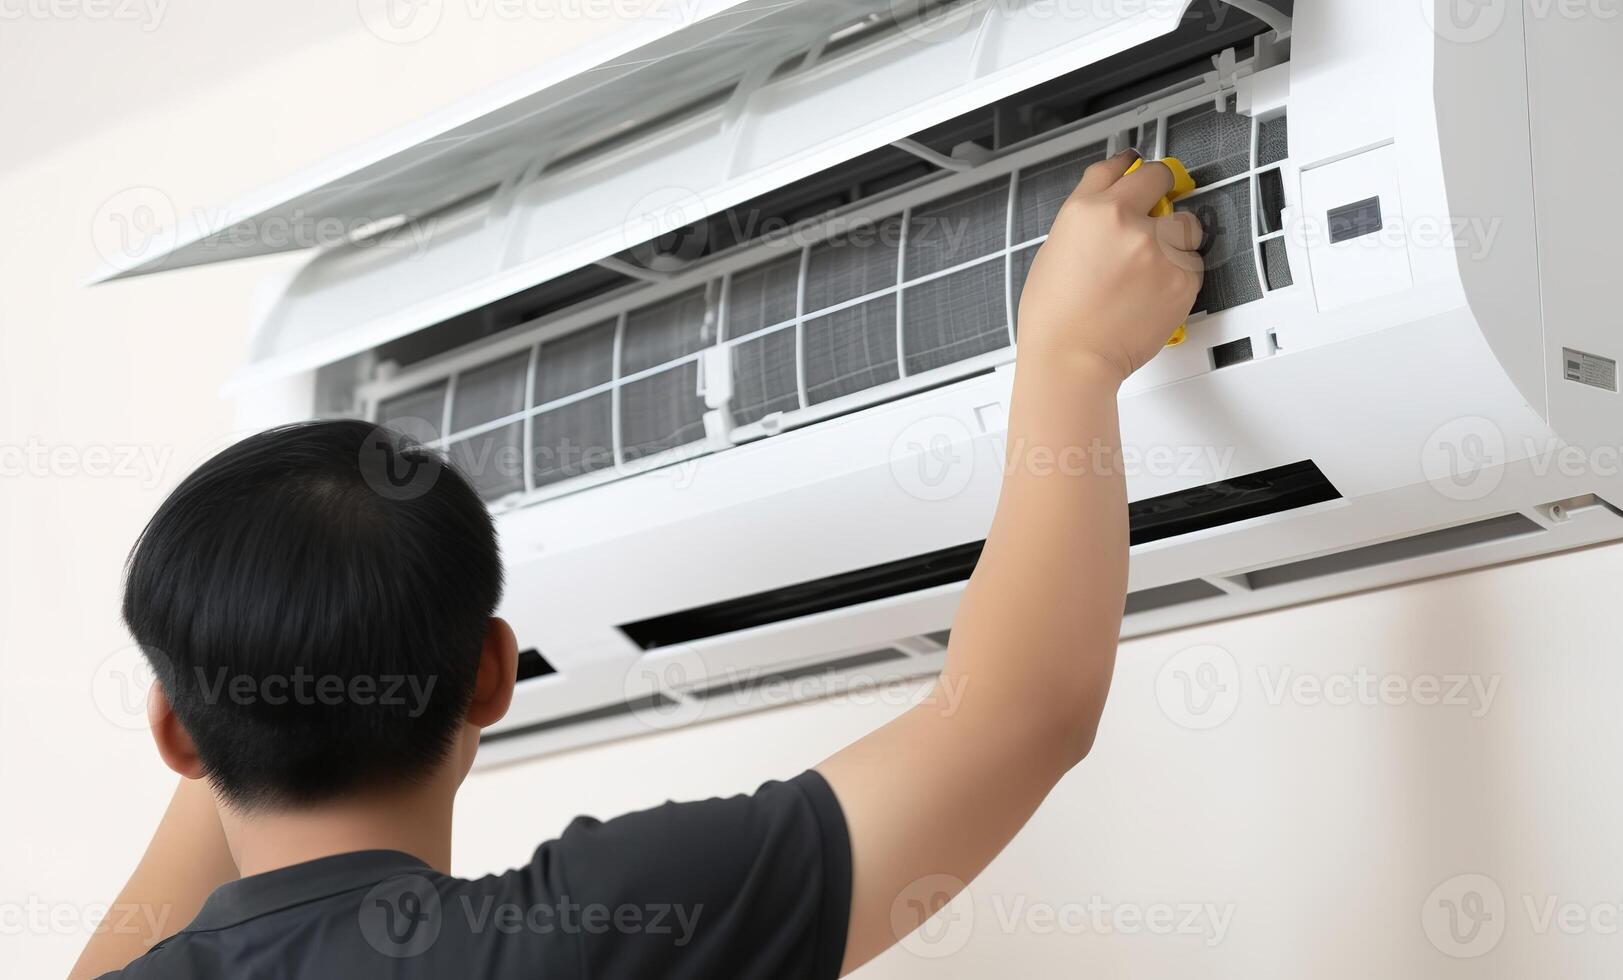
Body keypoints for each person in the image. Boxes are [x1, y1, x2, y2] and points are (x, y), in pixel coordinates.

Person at [71, 149, 1203, 979]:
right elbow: (1017, 717)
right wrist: (1069, 355)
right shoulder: (593, 932)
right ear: (492, 673)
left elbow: (1021, 714)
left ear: (174, 730)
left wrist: (236, 675)